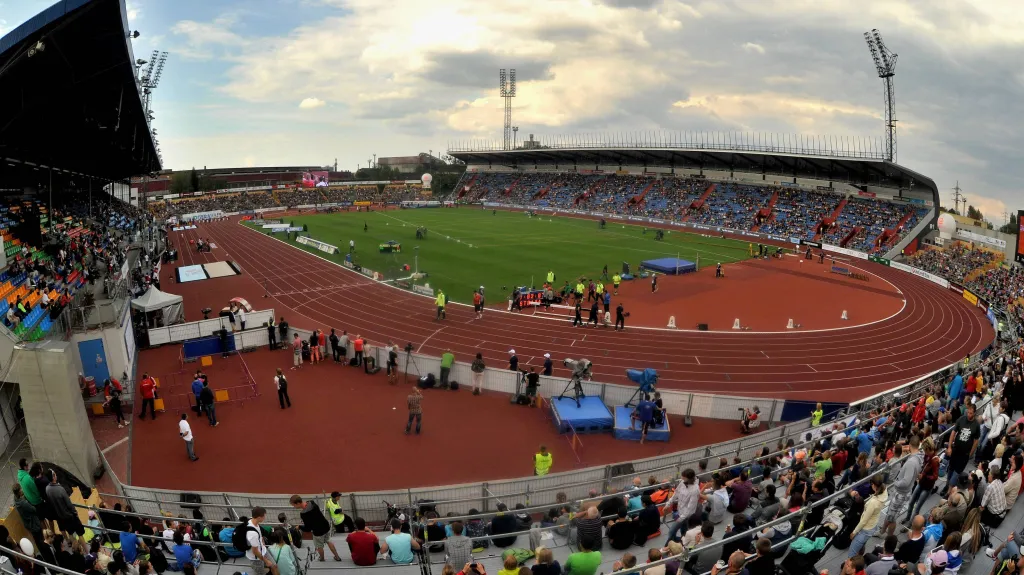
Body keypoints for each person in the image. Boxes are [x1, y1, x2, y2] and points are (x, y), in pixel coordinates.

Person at [289, 495, 342, 562]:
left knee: (319, 546)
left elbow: (308, 528)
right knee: (329, 541)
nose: (294, 507)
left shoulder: (303, 514)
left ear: (298, 503)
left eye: (294, 505)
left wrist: (299, 527)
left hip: (318, 531)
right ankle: (337, 557)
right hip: (325, 526)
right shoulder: (312, 503)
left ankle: (322, 558)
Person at [849, 475, 888, 557]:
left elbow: (864, 521)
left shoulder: (873, 503)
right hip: (873, 525)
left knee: (852, 552)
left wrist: (854, 532)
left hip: (865, 529)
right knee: (862, 545)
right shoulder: (885, 490)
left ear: (874, 485)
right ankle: (859, 556)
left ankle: (851, 563)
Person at [46, 469, 84, 542]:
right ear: (53, 477)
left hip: (60, 516)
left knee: (70, 533)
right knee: (79, 533)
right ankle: (83, 549)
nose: (56, 475)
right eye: (54, 474)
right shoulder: (60, 489)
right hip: (68, 515)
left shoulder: (47, 489)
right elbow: (68, 503)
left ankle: (74, 546)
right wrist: (75, 512)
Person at [246, 507, 279, 575]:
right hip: (255, 558)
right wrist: (266, 561)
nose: (264, 517)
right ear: (258, 517)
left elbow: (259, 535)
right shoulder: (252, 533)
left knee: (274, 566)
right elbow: (255, 551)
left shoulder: (253, 522)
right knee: (262, 573)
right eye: (263, 516)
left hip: (263, 550)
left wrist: (262, 541)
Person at [12, 484, 42, 549]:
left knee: (36, 538)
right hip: (33, 523)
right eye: (21, 489)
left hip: (27, 523)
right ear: (19, 491)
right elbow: (33, 509)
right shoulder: (23, 503)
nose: (22, 489)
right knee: (39, 538)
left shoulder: (16, 499)